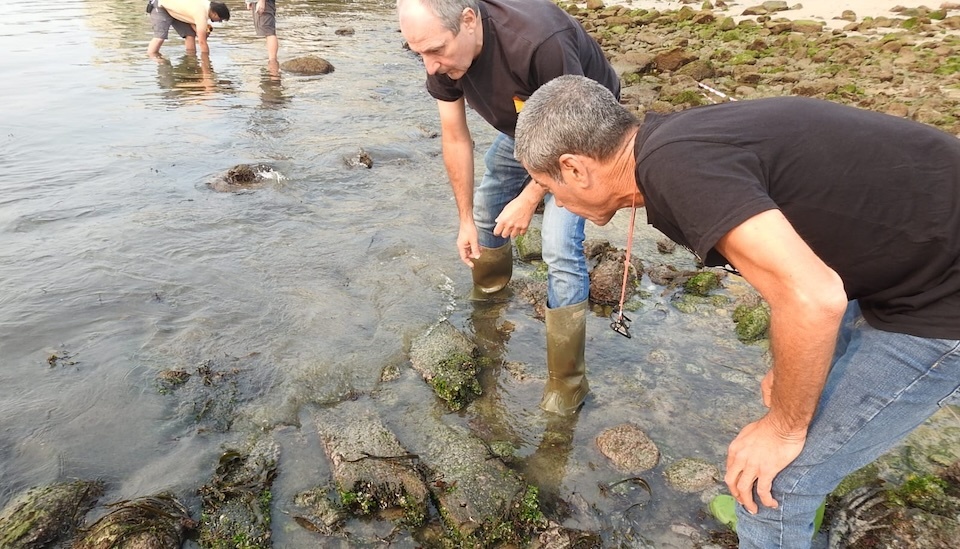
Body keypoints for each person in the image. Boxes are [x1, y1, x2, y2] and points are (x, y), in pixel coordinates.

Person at [513, 74, 960, 548]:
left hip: (940, 294)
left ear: (575, 168)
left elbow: (813, 297)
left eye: (547, 186)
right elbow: (799, 263)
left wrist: (784, 428)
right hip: (912, 258)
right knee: (801, 390)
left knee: (774, 488)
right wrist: (790, 365)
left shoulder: (678, 173)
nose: (556, 202)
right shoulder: (675, 141)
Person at [396, 0, 620, 416]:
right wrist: (464, 220)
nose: (430, 67)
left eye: (436, 51)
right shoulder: (441, 55)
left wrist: (529, 198)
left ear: (468, 20)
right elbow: (455, 138)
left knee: (558, 246)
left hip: (587, 129)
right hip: (523, 128)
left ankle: (566, 384)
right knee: (485, 208)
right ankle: (490, 300)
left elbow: (570, 135)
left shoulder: (538, 43)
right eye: (418, 53)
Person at [147, 0, 230, 57]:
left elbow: (189, 16)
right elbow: (202, 42)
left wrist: (201, 32)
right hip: (160, 6)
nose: (219, 22)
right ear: (215, 14)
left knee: (190, 35)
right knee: (160, 37)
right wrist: (206, 59)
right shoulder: (201, 14)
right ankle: (152, 57)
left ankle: (191, 59)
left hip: (175, 10)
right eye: (220, 20)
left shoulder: (206, 5)